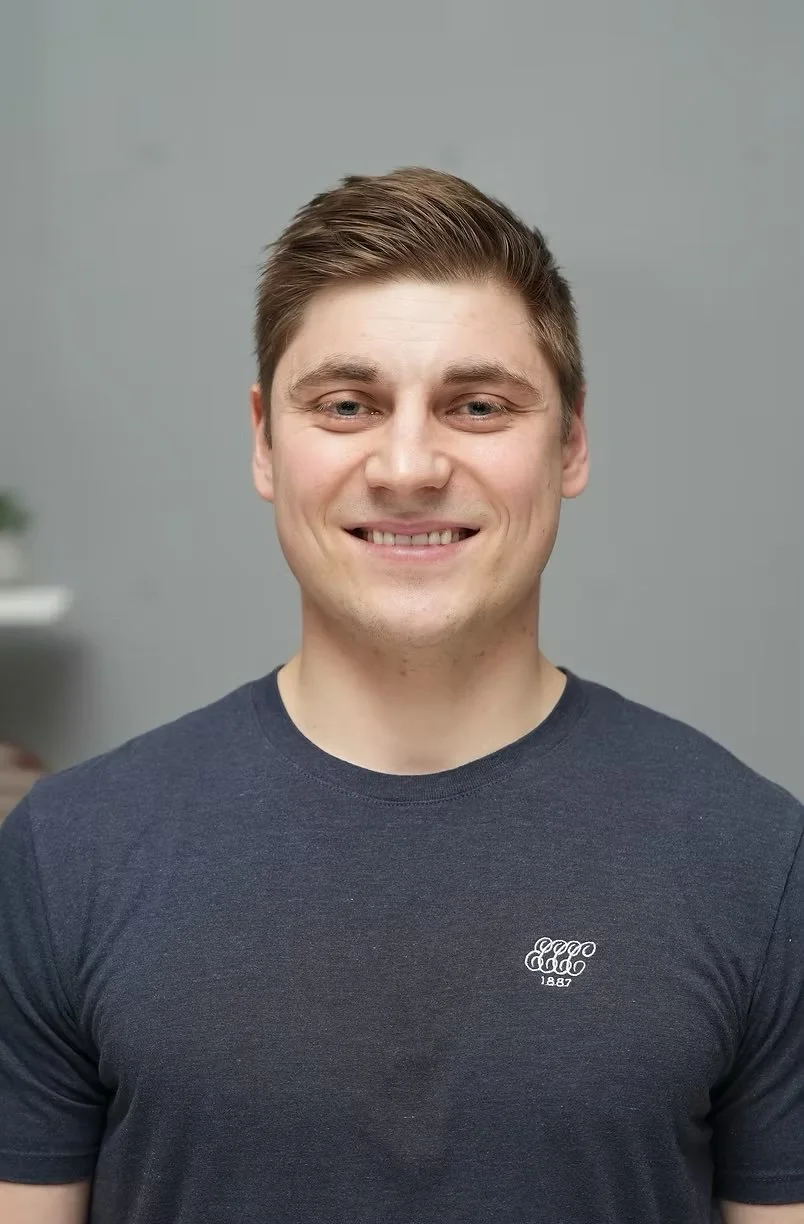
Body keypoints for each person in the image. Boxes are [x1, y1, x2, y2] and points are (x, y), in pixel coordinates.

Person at [0, 167, 802, 1224]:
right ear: (263, 441)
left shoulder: (755, 859)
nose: (410, 464)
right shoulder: (68, 857)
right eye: (347, 404)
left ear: (569, 441)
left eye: (478, 405)